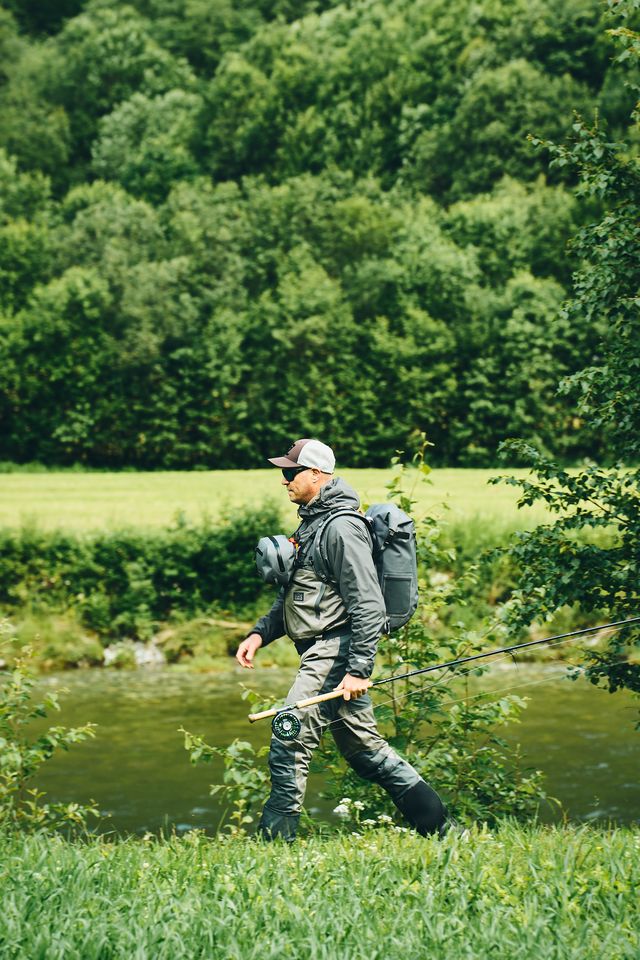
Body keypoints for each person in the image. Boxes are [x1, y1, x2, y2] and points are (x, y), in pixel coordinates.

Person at [236, 437, 447, 841]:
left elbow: (367, 603)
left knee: (288, 735)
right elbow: (297, 593)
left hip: (335, 652)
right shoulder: (312, 523)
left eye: (290, 472)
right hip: (324, 652)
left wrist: (358, 669)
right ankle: (443, 832)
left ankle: (274, 844)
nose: (284, 480)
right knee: (366, 754)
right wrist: (260, 633)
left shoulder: (342, 528)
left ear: (316, 474)